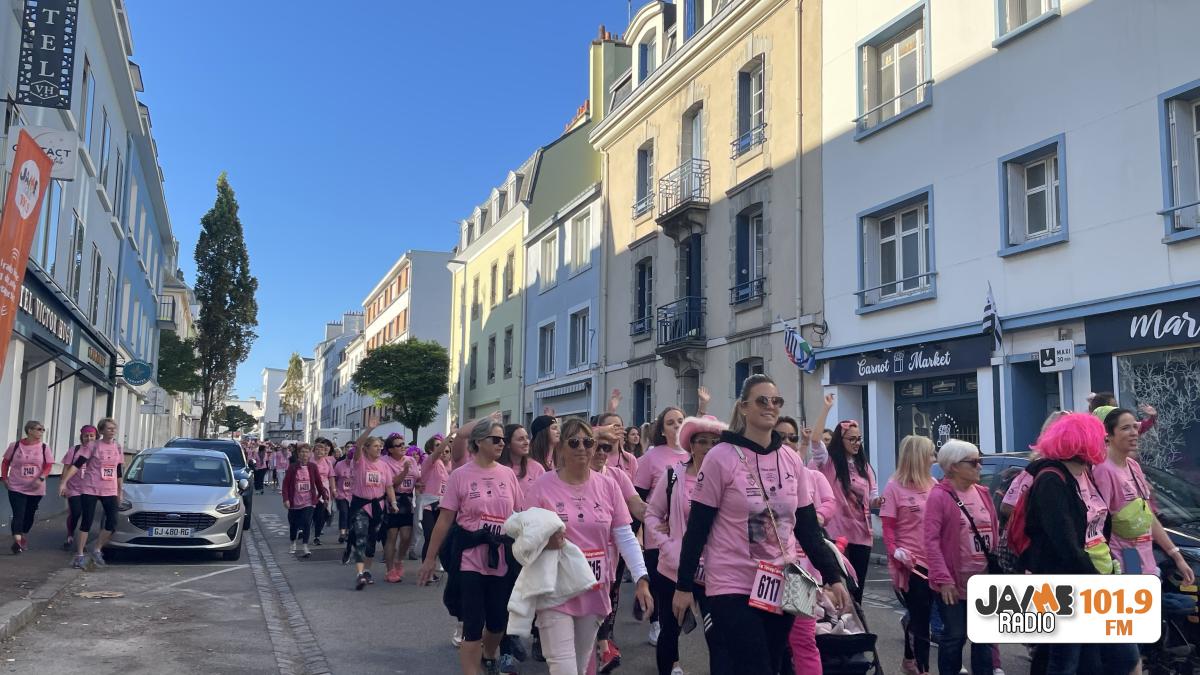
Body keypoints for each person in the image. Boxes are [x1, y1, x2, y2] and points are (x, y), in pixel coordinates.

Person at [671, 374, 850, 675]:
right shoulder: (720, 457)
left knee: (775, 661)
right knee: (755, 665)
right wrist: (684, 585)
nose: (771, 406)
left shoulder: (791, 460)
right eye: (762, 400)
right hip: (733, 583)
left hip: (783, 581)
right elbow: (698, 527)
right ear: (743, 407)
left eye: (776, 400)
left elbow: (807, 527)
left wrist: (833, 576)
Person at [522, 419, 653, 675]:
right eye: (574, 442)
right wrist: (544, 541)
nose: (582, 447)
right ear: (561, 448)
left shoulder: (609, 485)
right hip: (554, 591)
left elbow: (625, 536)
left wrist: (641, 578)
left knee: (582, 667)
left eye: (588, 442)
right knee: (564, 668)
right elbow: (524, 537)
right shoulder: (542, 487)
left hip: (594, 589)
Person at [1020, 413, 1141, 675]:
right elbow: (1063, 541)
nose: (1104, 443)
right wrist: (1094, 578)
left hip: (1096, 578)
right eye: (1101, 439)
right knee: (1066, 661)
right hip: (1065, 582)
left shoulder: (1086, 474)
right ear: (1082, 442)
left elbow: (1099, 527)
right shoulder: (1051, 479)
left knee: (1114, 657)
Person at [419, 421, 524, 675]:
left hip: (500, 557)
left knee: (498, 622)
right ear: (478, 442)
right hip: (470, 558)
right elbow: (444, 520)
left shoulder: (507, 474)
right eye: (495, 439)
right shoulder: (460, 475)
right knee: (473, 624)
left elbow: (520, 515)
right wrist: (430, 558)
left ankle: (488, 655)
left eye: (503, 439)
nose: (501, 444)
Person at [645, 415, 725, 675]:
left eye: (715, 442)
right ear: (691, 444)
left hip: (715, 571)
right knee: (670, 632)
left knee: (718, 637)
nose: (709, 447)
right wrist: (668, 546)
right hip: (675, 568)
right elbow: (652, 514)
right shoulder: (673, 476)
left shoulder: (728, 479)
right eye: (702, 441)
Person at [1093, 406, 1195, 584]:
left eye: (1135, 426)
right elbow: (1099, 525)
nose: (1134, 433)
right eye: (1125, 428)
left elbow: (1148, 516)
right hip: (1126, 560)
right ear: (1108, 435)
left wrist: (1176, 556)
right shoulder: (1103, 470)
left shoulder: (1133, 466)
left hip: (1147, 562)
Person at [923, 439, 996, 675]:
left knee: (984, 637)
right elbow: (931, 541)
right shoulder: (939, 496)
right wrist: (944, 579)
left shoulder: (983, 493)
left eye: (979, 461)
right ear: (953, 466)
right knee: (955, 636)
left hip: (983, 581)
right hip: (953, 582)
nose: (979, 466)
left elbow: (994, 532)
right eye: (973, 462)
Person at [589, 425, 648, 672]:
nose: (602, 452)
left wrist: (667, 517)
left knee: (604, 605)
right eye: (596, 446)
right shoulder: (562, 477)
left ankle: (602, 646)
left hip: (608, 559)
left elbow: (638, 508)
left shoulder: (616, 477)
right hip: (572, 563)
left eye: (607, 447)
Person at [881, 435, 937, 675]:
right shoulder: (894, 487)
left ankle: (908, 659)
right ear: (918, 457)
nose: (934, 458)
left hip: (934, 560)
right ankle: (923, 669)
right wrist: (895, 552)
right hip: (910, 563)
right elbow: (887, 527)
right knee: (922, 618)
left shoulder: (934, 483)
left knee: (923, 613)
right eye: (931, 454)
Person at [633, 406, 687, 647]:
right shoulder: (652, 458)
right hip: (659, 535)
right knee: (660, 582)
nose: (676, 426)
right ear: (662, 430)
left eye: (680, 421)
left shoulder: (693, 455)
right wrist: (643, 528)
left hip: (686, 534)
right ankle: (656, 622)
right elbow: (638, 496)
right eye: (671, 422)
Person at [812, 409, 878, 603]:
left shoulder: (864, 466)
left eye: (859, 439)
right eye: (852, 439)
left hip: (862, 535)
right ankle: (835, 619)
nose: (857, 443)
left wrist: (877, 501)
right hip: (836, 533)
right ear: (840, 441)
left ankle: (855, 619)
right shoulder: (828, 462)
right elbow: (815, 441)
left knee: (856, 589)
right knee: (835, 587)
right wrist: (825, 408)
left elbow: (872, 494)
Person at [60, 418, 124, 568]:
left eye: (114, 428)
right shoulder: (93, 446)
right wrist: (64, 482)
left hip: (109, 489)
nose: (112, 431)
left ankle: (97, 549)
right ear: (101, 431)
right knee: (87, 521)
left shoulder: (118, 447)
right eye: (109, 428)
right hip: (90, 487)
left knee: (112, 522)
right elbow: (77, 465)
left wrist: (120, 491)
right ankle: (80, 555)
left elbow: (118, 471)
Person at [343, 435, 398, 590]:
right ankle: (359, 574)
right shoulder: (359, 462)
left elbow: (389, 486)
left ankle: (367, 570)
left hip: (378, 506)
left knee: (371, 541)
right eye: (375, 446)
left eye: (380, 446)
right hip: (361, 505)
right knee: (361, 537)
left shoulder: (384, 466)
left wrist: (393, 503)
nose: (379, 448)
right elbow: (358, 444)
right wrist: (370, 429)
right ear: (366, 449)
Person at [2, 420, 55, 554]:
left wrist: (41, 478)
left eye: (43, 429)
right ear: (29, 431)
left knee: (29, 514)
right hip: (16, 486)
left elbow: (48, 465)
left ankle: (23, 535)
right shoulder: (15, 446)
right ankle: (17, 541)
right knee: (18, 513)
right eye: (39, 429)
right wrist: (5, 478)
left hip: (36, 488)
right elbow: (5, 462)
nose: (41, 432)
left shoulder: (44, 447)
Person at [381, 435, 420, 583]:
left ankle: (399, 560)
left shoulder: (411, 460)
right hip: (392, 499)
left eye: (403, 444)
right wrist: (404, 471)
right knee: (392, 535)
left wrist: (419, 485)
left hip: (408, 500)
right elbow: (392, 484)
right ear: (390, 449)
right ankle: (390, 570)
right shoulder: (385, 462)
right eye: (398, 445)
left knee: (406, 536)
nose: (403, 447)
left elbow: (417, 477)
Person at [283, 444, 328, 558]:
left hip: (309, 500)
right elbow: (286, 484)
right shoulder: (292, 467)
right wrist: (286, 499)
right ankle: (293, 543)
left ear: (310, 454)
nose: (304, 454)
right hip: (295, 501)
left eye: (307, 452)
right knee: (294, 524)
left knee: (306, 522)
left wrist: (324, 496)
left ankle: (305, 546)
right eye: (302, 452)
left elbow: (318, 483)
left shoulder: (312, 467)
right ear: (298, 454)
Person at [61, 425, 97, 550]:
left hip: (90, 488)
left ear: (96, 437)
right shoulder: (75, 450)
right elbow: (66, 467)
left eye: (92, 436)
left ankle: (82, 542)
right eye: (86, 436)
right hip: (74, 487)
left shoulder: (98, 450)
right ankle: (70, 534)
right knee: (75, 512)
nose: (89, 438)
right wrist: (63, 484)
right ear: (82, 437)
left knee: (87, 515)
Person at [417, 435, 451, 561]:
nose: (442, 449)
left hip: (442, 506)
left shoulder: (446, 466)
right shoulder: (429, 461)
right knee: (430, 536)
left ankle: (437, 564)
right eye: (438, 445)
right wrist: (449, 436)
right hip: (428, 505)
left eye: (446, 449)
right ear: (431, 449)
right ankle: (426, 567)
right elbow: (438, 453)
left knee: (441, 538)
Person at [500, 423, 545, 490]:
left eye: (527, 438)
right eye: (521, 439)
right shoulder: (499, 468)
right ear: (508, 444)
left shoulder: (536, 468)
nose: (526, 442)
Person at [1089, 392, 1157, 434]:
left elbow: (1141, 426)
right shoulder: (1092, 432)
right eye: (1112, 407)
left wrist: (1152, 417)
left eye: (1116, 406)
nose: (1116, 410)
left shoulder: (1120, 423)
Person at [311, 438, 336, 546]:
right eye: (317, 449)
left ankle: (317, 536)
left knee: (323, 513)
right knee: (311, 512)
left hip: (324, 489)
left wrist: (333, 489)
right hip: (311, 489)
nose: (320, 451)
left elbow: (331, 476)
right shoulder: (310, 461)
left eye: (322, 450)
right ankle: (304, 529)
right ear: (313, 451)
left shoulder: (327, 462)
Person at [333, 447, 353, 545]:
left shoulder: (358, 465)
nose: (350, 461)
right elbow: (334, 478)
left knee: (350, 513)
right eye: (349, 458)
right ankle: (342, 533)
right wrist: (334, 490)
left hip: (353, 494)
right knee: (344, 512)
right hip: (341, 493)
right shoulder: (339, 464)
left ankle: (348, 531)